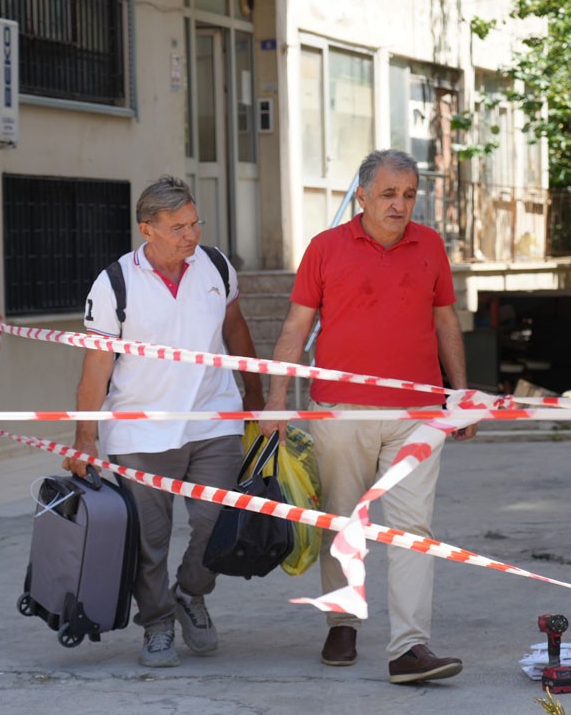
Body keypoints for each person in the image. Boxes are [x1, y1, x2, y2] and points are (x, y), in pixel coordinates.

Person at [260, 149, 474, 684]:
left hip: (417, 415)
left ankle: (409, 648)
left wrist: (460, 395)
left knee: (412, 529)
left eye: (408, 194)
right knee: (342, 521)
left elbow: (445, 321)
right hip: (340, 413)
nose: (399, 204)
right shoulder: (325, 248)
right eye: (388, 194)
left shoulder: (430, 245)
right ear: (361, 196)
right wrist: (276, 399)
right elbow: (295, 327)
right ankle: (342, 623)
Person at [61, 175, 264, 668]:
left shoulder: (216, 266)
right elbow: (97, 366)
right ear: (147, 228)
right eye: (178, 228)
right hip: (140, 429)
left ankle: (190, 594)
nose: (190, 235)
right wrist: (85, 439)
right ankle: (156, 625)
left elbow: (235, 328)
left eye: (195, 223)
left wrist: (257, 396)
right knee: (149, 540)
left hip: (214, 419)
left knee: (218, 524)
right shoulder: (114, 283)